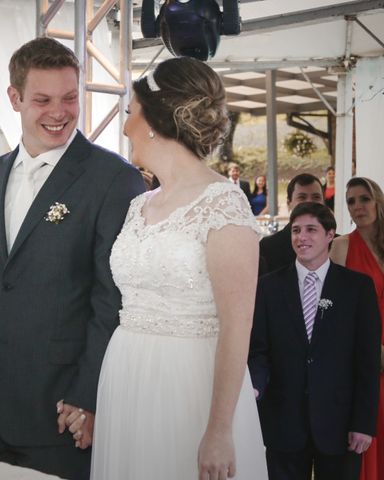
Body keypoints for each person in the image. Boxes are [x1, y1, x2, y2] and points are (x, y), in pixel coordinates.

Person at [0, 37, 145, 479]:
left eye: (69, 98)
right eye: (42, 100)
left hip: (61, 411)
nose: (59, 112)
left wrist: (88, 395)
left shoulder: (114, 179)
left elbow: (111, 302)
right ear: (14, 98)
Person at [90, 57, 267, 479]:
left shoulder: (224, 204)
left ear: (153, 120)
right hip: (127, 375)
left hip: (188, 383)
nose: (125, 124)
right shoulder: (139, 205)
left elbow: (237, 327)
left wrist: (220, 429)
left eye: (130, 111)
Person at [250, 202, 381, 480]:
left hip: (340, 424)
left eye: (311, 229)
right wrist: (254, 386)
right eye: (296, 230)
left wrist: (363, 423)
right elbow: (258, 350)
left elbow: (367, 363)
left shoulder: (357, 288)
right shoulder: (268, 287)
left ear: (330, 234)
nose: (302, 237)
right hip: (283, 423)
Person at [330, 177, 384, 480]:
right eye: (351, 201)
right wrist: (371, 352)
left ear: (377, 200)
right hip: (365, 360)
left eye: (364, 199)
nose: (358, 207)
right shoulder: (340, 246)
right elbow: (335, 315)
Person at [259, 173, 324, 274]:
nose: (309, 203)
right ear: (289, 203)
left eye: (316, 197)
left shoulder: (337, 245)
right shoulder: (268, 247)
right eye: (302, 198)